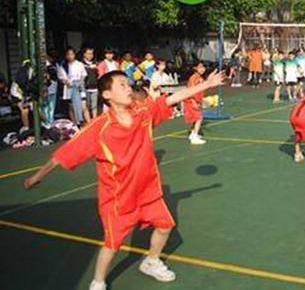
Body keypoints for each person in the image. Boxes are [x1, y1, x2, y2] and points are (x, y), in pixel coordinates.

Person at [24, 69, 225, 290]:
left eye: (128, 84)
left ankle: (151, 261)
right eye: (122, 85)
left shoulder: (143, 113)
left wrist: (207, 84)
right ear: (107, 94)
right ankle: (98, 281)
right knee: (112, 243)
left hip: (148, 191)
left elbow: (171, 98)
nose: (128, 88)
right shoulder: (99, 128)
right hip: (119, 199)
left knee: (165, 226)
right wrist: (37, 176)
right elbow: (64, 154)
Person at [57, 47, 88, 126]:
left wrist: (79, 82)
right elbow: (61, 78)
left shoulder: (79, 64)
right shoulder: (63, 66)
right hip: (69, 87)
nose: (70, 56)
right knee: (71, 107)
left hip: (79, 87)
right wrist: (65, 82)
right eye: (68, 54)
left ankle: (85, 123)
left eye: (71, 54)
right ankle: (75, 124)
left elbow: (83, 75)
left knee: (83, 106)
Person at [184, 62, 208, 145]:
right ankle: (194, 136)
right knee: (199, 118)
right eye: (200, 67)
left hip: (197, 100)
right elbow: (191, 91)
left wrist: (202, 100)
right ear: (195, 68)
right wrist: (194, 101)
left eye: (203, 67)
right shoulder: (193, 78)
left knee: (196, 118)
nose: (202, 69)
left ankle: (192, 133)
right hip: (191, 100)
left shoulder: (201, 78)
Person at [82, 48, 100, 120]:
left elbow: (97, 75)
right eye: (88, 53)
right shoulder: (81, 64)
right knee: (87, 106)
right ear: (84, 54)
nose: (90, 55)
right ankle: (88, 121)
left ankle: (95, 120)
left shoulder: (95, 64)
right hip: (86, 87)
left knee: (94, 106)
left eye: (92, 53)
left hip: (95, 87)